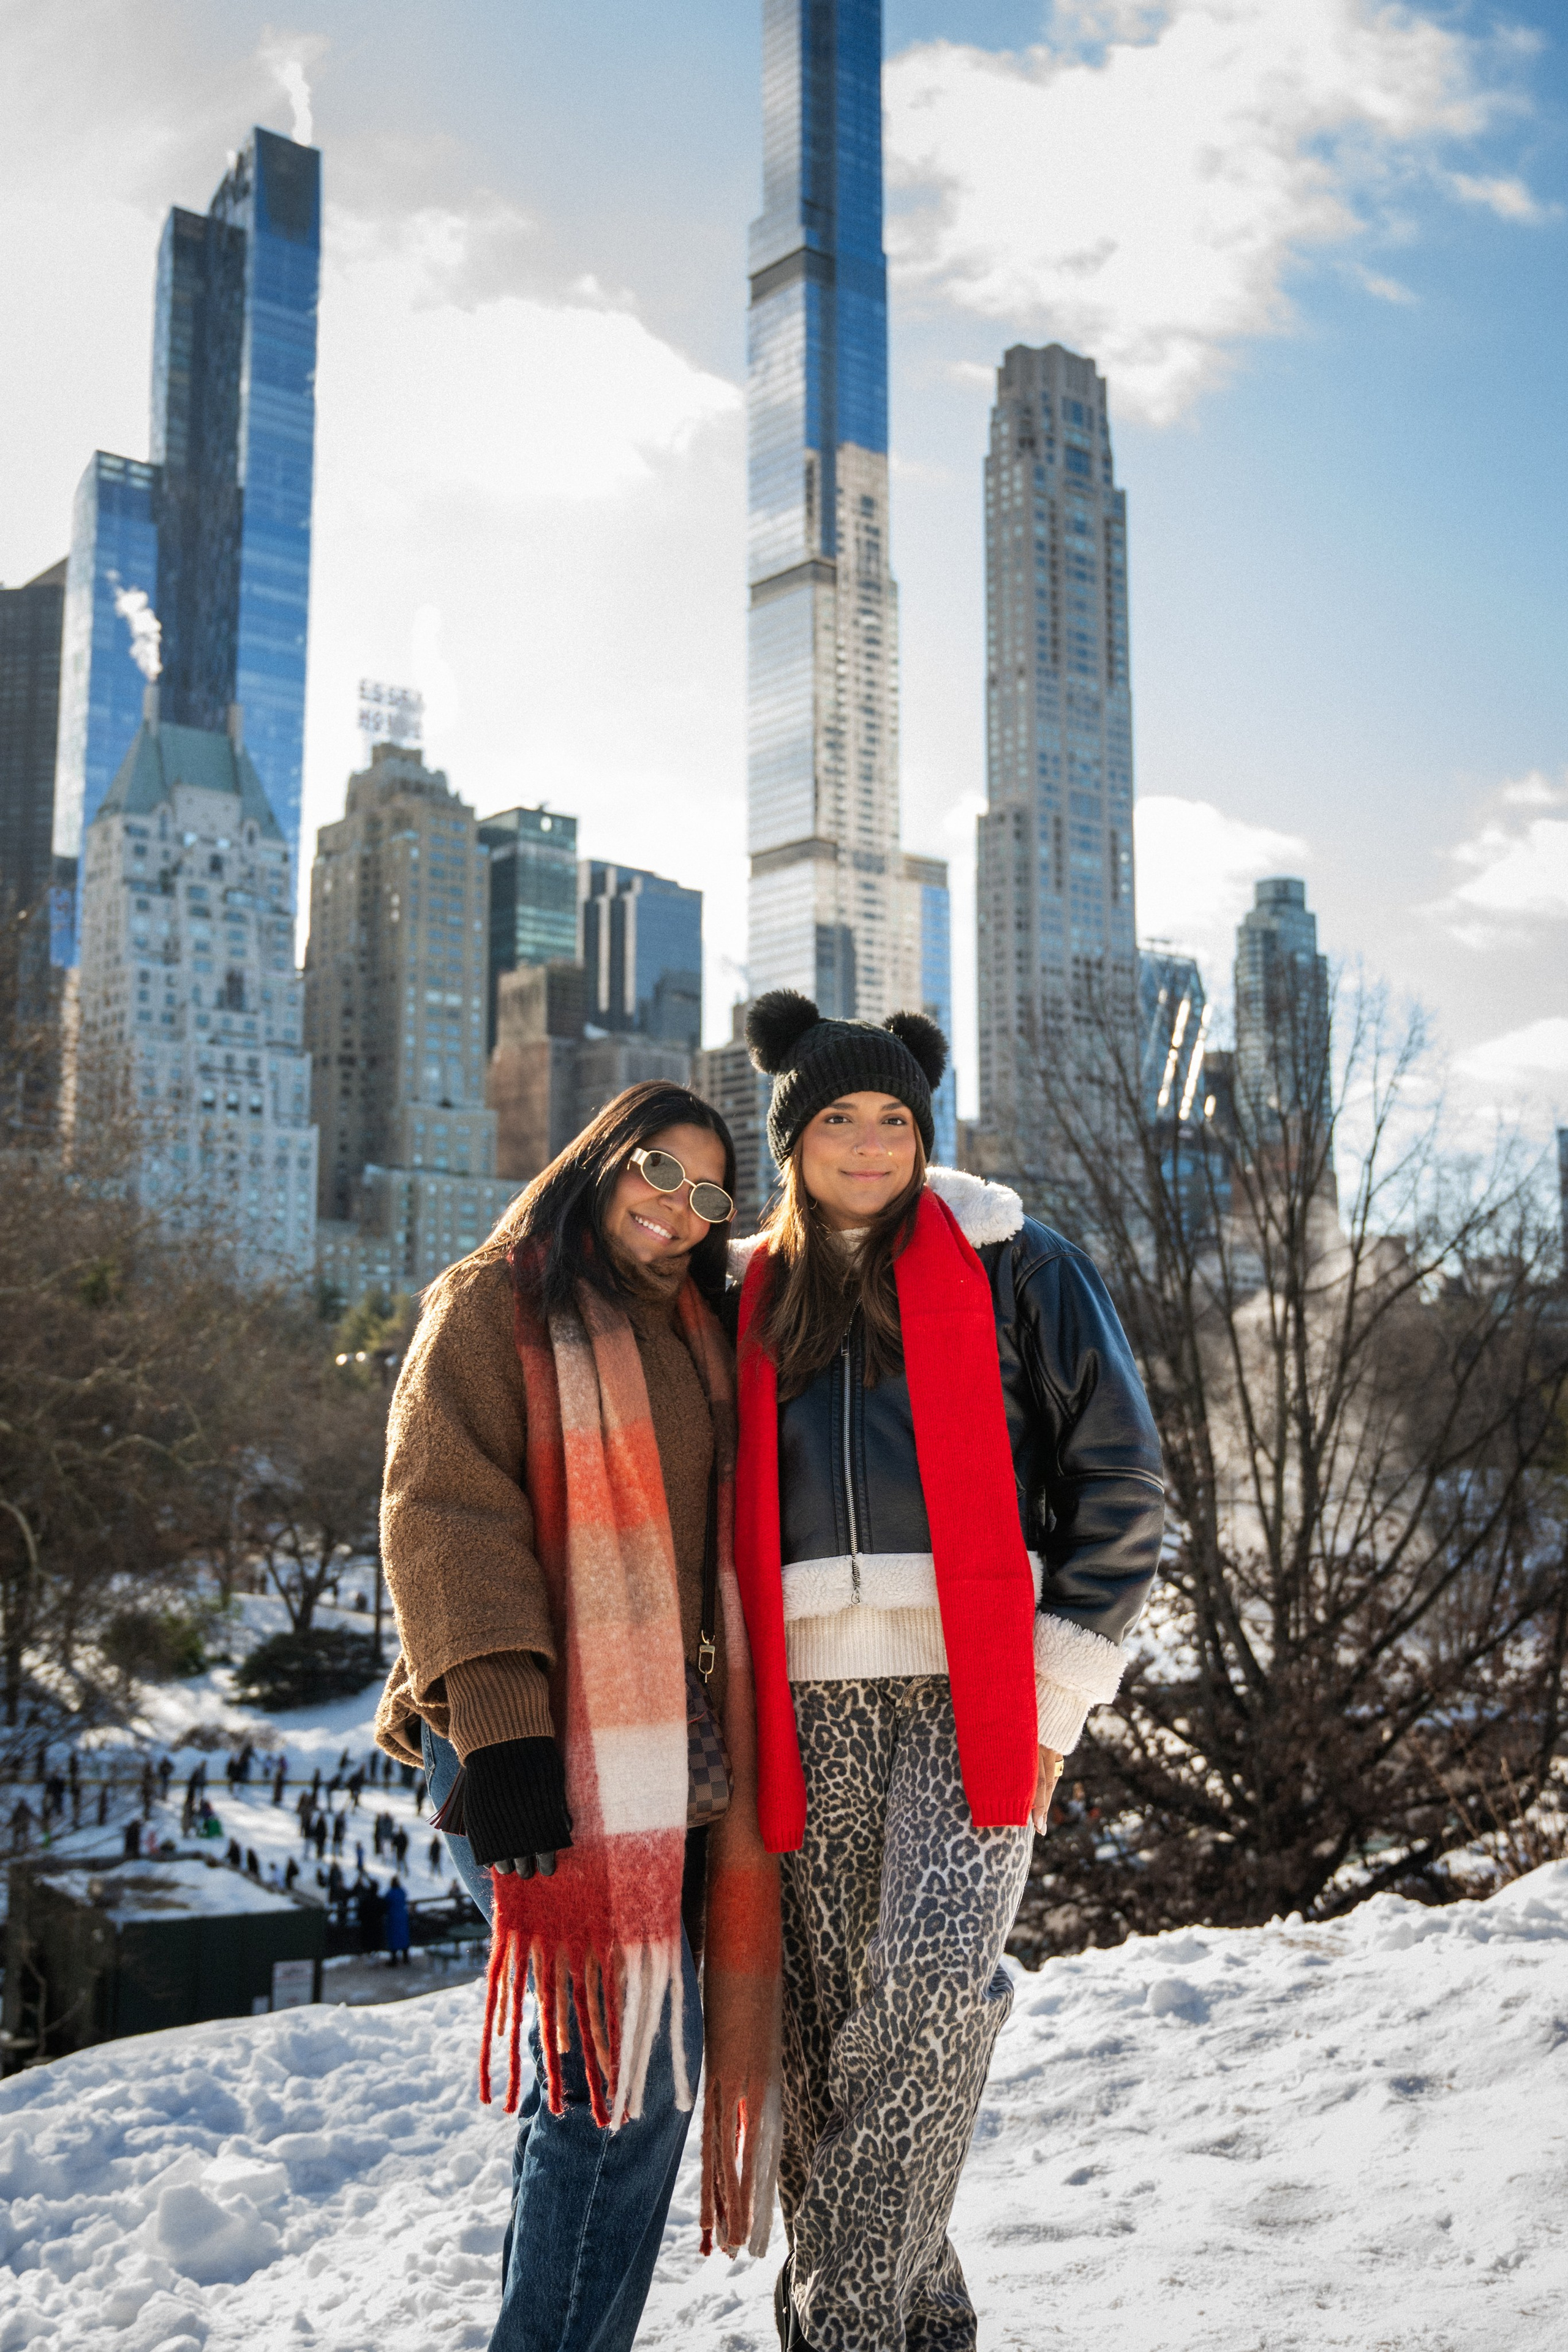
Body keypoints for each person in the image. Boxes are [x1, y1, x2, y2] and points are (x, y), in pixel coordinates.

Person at [732, 992, 1165, 2352]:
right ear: (788, 1139)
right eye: (836, 1120)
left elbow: (1121, 1480)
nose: (867, 1145)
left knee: (926, 1989)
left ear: (925, 1130)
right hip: (798, 1701)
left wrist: (1053, 1698)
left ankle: (840, 2317)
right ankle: (923, 2324)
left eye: (893, 1120)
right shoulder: (742, 1288)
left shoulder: (1016, 1263)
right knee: (822, 2033)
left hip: (975, 1687)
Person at [374, 1082, 783, 2352]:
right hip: (528, 1746)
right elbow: (443, 1513)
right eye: (658, 1170)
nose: (676, 1209)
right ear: (600, 1156)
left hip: (662, 1756)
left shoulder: (697, 1334)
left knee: (618, 2094)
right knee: (614, 2088)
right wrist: (502, 1733)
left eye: (709, 1195)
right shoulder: (493, 1302)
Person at [385, 1874, 411, 1966]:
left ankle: (394, 1959)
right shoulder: (401, 1892)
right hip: (403, 1917)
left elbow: (386, 1902)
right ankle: (406, 1957)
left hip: (393, 1918)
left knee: (394, 1938)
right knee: (404, 1936)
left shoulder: (390, 1893)